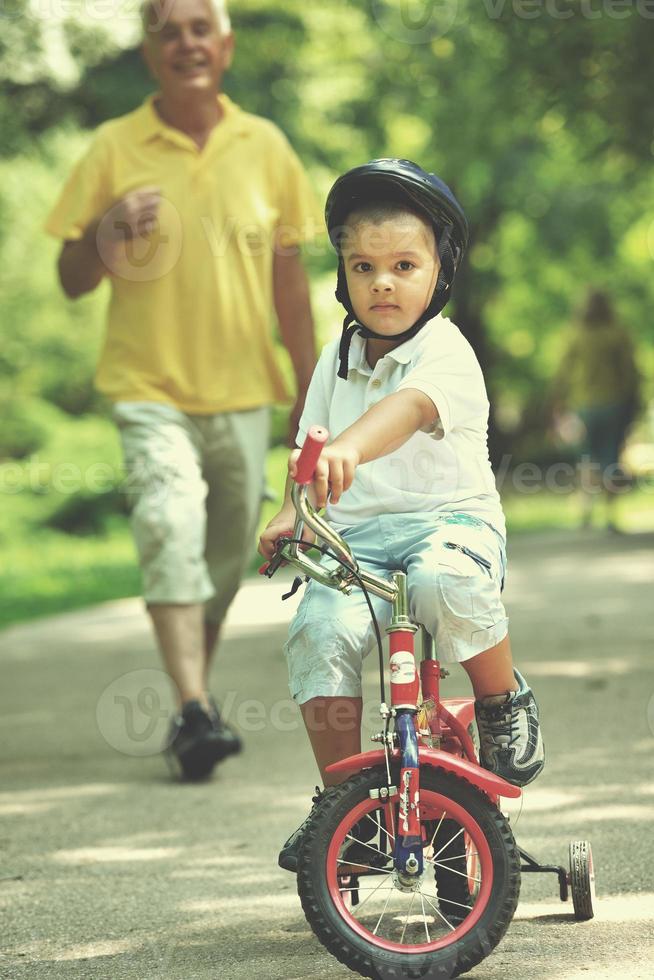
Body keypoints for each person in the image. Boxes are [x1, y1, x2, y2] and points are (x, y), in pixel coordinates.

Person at [45, 0, 322, 781]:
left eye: (201, 28)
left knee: (231, 549)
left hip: (241, 390)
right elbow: (69, 279)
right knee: (168, 522)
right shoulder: (113, 146)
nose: (186, 42)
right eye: (168, 30)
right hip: (148, 386)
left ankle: (189, 678)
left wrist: (310, 389)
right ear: (149, 50)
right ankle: (195, 710)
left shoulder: (265, 146)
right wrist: (103, 231)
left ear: (225, 46)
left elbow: (291, 282)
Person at [258, 159, 545, 872]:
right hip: (356, 540)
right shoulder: (337, 356)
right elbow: (309, 454)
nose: (382, 281)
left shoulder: (446, 351)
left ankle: (503, 700)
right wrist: (290, 511)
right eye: (363, 266)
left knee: (448, 582)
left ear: (439, 272)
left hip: (448, 524)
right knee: (317, 630)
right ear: (345, 275)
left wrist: (351, 446)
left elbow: (409, 411)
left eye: (403, 264)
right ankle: (344, 801)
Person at [551, 288, 641, 533]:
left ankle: (586, 513)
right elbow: (630, 371)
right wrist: (634, 401)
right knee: (611, 458)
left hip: (584, 406)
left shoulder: (575, 335)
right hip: (613, 404)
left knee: (587, 460)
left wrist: (558, 400)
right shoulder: (617, 334)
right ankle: (611, 516)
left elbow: (563, 371)